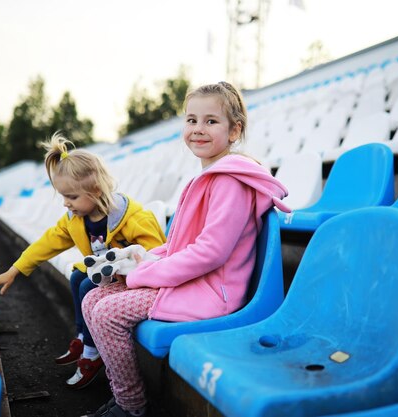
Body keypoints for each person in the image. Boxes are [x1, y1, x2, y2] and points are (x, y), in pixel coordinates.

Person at [81, 82, 290, 417]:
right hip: (193, 280)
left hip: (211, 292)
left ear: (234, 130)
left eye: (211, 121)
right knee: (92, 298)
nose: (198, 129)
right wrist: (146, 258)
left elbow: (211, 252)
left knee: (108, 313)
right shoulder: (207, 177)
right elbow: (183, 245)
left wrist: (144, 274)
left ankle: (131, 406)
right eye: (191, 120)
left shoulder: (229, 182)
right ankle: (123, 396)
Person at [0, 133, 166, 389]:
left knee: (87, 285)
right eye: (63, 196)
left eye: (72, 197)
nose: (66, 203)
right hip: (105, 275)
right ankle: (83, 335)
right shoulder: (75, 219)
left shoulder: (134, 218)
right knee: (79, 275)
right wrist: (15, 270)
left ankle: (91, 351)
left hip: (133, 280)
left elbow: (156, 256)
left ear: (96, 190)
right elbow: (47, 243)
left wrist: (128, 269)